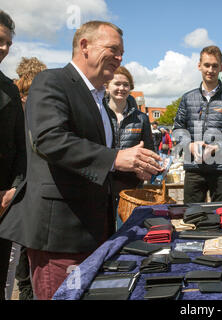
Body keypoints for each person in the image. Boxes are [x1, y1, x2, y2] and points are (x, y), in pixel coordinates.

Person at [0, 20, 162, 300]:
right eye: (113, 49)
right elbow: (50, 139)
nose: (120, 57)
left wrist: (137, 171)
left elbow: (94, 167)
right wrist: (116, 158)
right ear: (84, 46)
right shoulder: (51, 81)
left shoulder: (99, 100)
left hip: (95, 232)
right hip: (60, 236)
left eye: (122, 52)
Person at [173, 45, 222, 204]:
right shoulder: (187, 98)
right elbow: (178, 129)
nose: (210, 69)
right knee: (193, 216)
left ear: (221, 67)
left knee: (221, 217)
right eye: (207, 65)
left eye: (215, 65)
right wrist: (190, 146)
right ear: (199, 65)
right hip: (194, 167)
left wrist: (217, 148)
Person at [12, 56, 47, 300]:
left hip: (22, 181)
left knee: (23, 243)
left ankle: (26, 289)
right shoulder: (23, 108)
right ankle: (27, 289)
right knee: (24, 243)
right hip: (24, 182)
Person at [105, 66, 154, 230]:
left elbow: (150, 151)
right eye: (117, 83)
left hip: (130, 184)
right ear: (107, 86)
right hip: (103, 182)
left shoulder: (141, 118)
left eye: (126, 84)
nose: (121, 88)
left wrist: (145, 170)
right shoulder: (99, 113)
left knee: (127, 229)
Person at [0, 10, 26, 301]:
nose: (4, 49)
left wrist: (14, 190)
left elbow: (21, 148)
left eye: (8, 43)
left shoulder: (8, 88)